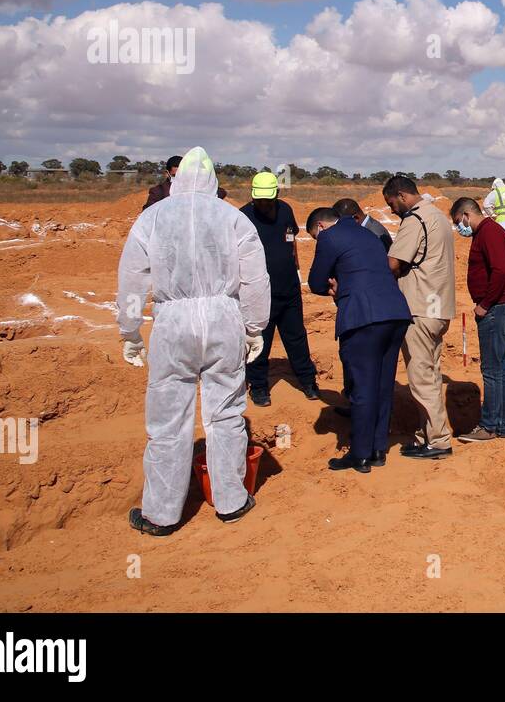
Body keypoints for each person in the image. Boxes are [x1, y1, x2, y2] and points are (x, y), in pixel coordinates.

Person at [119, 147, 270, 535]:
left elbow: (133, 277)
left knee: (169, 419)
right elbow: (255, 280)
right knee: (227, 413)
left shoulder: (151, 218)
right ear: (213, 180)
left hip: (173, 323)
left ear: (176, 178)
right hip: (224, 320)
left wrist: (130, 331)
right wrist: (255, 328)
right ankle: (231, 500)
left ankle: (161, 513)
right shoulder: (234, 219)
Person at [306, 206, 412, 473]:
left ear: (321, 226)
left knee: (362, 386)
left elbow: (317, 281)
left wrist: (336, 287)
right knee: (382, 384)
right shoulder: (369, 233)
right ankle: (378, 448)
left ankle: (361, 454)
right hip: (396, 313)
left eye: (315, 236)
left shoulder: (330, 237)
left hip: (363, 317)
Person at [382, 176, 457, 459]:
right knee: (431, 375)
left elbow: (393, 262)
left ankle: (437, 441)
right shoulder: (437, 215)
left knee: (420, 378)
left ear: (401, 196)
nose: (391, 210)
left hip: (420, 307)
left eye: (391, 203)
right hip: (439, 306)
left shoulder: (415, 220)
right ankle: (427, 434)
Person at [238, 172, 319, 406]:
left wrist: (296, 268)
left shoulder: (285, 210)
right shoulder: (243, 217)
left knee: (296, 337)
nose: (262, 204)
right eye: (259, 199)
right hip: (258, 293)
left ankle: (308, 381)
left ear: (276, 194)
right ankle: (260, 387)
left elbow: (290, 239)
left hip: (288, 288)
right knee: (259, 340)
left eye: (267, 199)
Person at [451, 197, 505, 442]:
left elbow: (502, 271)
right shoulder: (485, 233)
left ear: (466, 215)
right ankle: (502, 426)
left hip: (498, 308)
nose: (459, 228)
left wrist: (485, 304)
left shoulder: (489, 232)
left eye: (458, 222)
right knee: (500, 368)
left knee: (491, 370)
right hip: (500, 306)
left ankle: (489, 425)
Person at [142, 154, 226, 209]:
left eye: (182, 175)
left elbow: (221, 192)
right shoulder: (158, 191)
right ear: (167, 174)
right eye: (175, 175)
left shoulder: (194, 186)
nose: (179, 179)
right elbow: (147, 213)